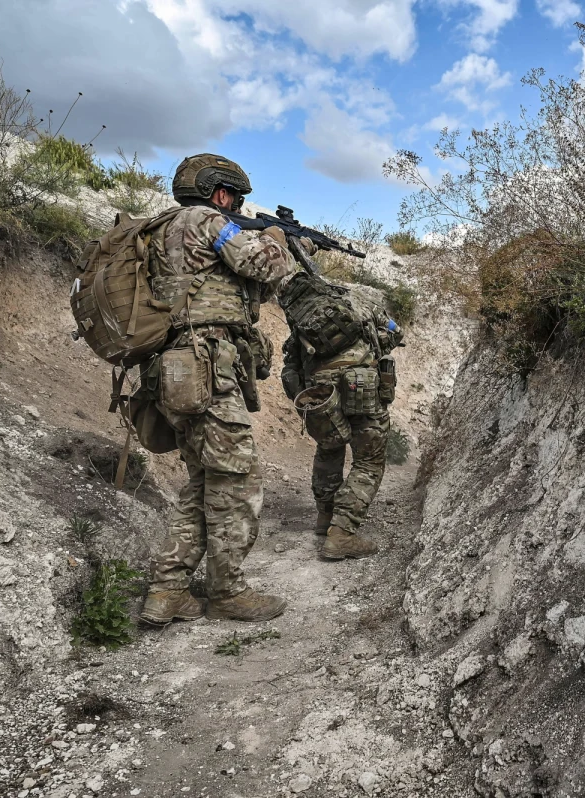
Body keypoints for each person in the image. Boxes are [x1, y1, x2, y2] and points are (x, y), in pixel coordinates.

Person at [138, 153, 297, 625]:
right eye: (236, 198)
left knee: (203, 481)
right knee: (238, 478)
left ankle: (166, 593)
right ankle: (227, 592)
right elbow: (267, 267)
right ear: (219, 192)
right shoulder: (206, 219)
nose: (237, 205)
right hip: (206, 366)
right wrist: (275, 239)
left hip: (172, 371)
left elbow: (236, 289)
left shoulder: (161, 228)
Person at [281, 282, 403, 560]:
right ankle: (343, 532)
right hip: (363, 387)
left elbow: (292, 359)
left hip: (320, 390)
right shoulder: (360, 301)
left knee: (329, 448)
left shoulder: (301, 319)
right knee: (368, 460)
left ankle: (325, 518)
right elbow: (395, 333)